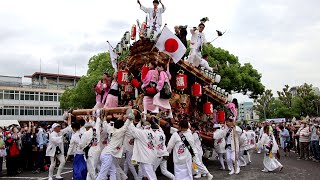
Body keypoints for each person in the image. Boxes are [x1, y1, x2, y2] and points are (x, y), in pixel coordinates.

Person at [46, 115, 71, 180]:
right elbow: (55, 140)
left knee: (63, 161)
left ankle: (58, 175)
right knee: (53, 164)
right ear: (54, 128)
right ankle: (50, 176)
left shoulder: (60, 132)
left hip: (59, 151)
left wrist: (69, 118)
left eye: (59, 126)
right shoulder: (52, 134)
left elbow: (68, 128)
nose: (60, 128)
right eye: (58, 127)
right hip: (53, 151)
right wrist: (62, 137)